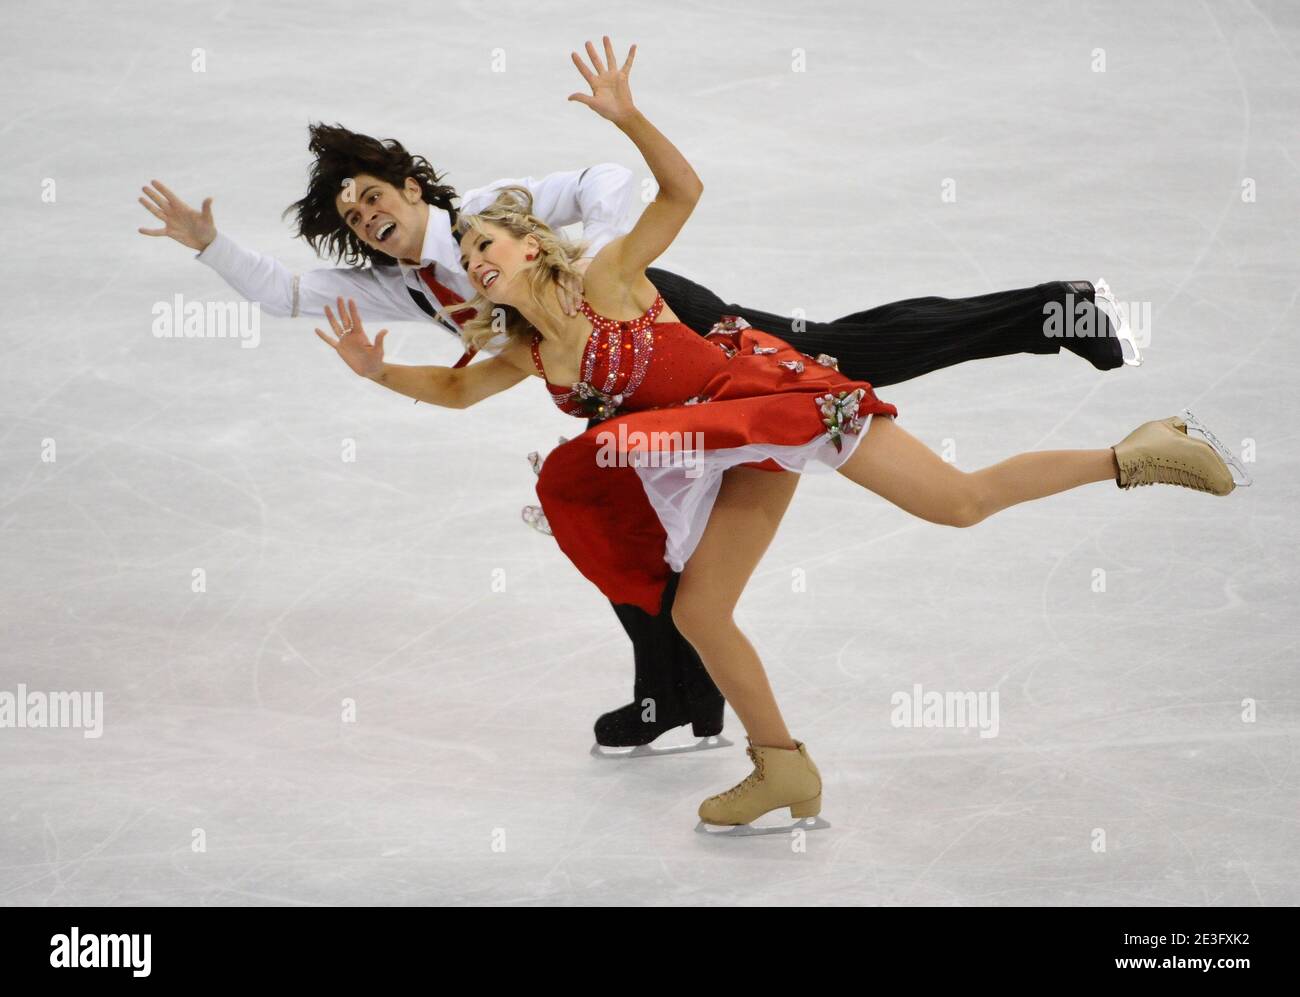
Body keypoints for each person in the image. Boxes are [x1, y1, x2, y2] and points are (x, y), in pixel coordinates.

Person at [313, 37, 1244, 831]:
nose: (474, 261)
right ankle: (782, 764)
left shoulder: (604, 278)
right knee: (697, 612)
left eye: (487, 245)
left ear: (531, 246)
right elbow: (452, 387)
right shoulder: (526, 349)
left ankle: (1141, 448)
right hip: (722, 451)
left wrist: (627, 118)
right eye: (468, 255)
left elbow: (681, 192)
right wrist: (376, 371)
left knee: (956, 504)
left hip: (775, 401)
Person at [138, 118, 1140, 760]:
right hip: (598, 386)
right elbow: (284, 297)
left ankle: (1052, 311)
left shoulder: (492, 213)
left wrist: (597, 270)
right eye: (355, 217)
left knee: (836, 354)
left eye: (374, 196)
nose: (369, 218)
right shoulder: (389, 287)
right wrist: (208, 244)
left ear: (408, 181)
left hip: (650, 326)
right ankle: (679, 694)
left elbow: (611, 179)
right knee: (622, 527)